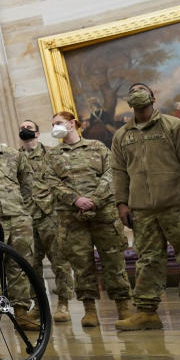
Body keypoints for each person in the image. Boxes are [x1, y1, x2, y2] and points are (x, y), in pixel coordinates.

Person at [111, 83, 180, 331]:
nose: (136, 92)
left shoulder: (175, 126)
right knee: (147, 260)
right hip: (142, 210)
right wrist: (122, 204)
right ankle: (147, 312)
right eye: (132, 90)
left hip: (176, 205)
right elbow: (119, 173)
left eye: (141, 89)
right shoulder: (122, 135)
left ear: (152, 98)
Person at [44, 111, 132, 328]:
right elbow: (52, 182)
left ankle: (124, 309)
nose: (55, 127)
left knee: (114, 262)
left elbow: (110, 173)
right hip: (73, 219)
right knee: (82, 265)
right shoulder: (53, 155)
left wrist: (93, 199)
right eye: (53, 123)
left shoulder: (97, 147)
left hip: (103, 215)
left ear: (73, 124)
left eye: (59, 123)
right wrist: (76, 199)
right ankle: (90, 310)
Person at [0, 114, 39, 332]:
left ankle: (21, 313)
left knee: (19, 266)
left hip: (18, 217)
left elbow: (27, 185)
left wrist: (25, 212)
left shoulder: (14, 154)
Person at [18, 120, 74, 323]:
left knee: (60, 261)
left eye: (29, 128)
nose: (25, 130)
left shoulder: (52, 154)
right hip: (26, 216)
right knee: (31, 265)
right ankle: (39, 305)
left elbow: (66, 180)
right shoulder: (15, 158)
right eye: (22, 128)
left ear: (38, 133)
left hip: (51, 214)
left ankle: (63, 303)